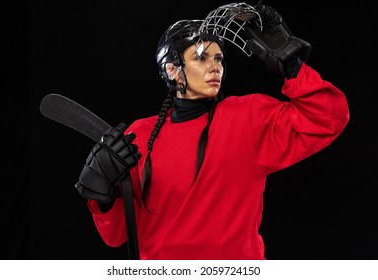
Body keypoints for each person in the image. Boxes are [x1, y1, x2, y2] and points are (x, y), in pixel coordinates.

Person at [74, 3, 350, 260]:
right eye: (201, 58)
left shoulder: (248, 117)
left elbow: (328, 117)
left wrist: (292, 67)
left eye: (218, 58)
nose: (214, 66)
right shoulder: (140, 135)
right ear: (172, 70)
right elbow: (116, 235)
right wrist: (104, 194)